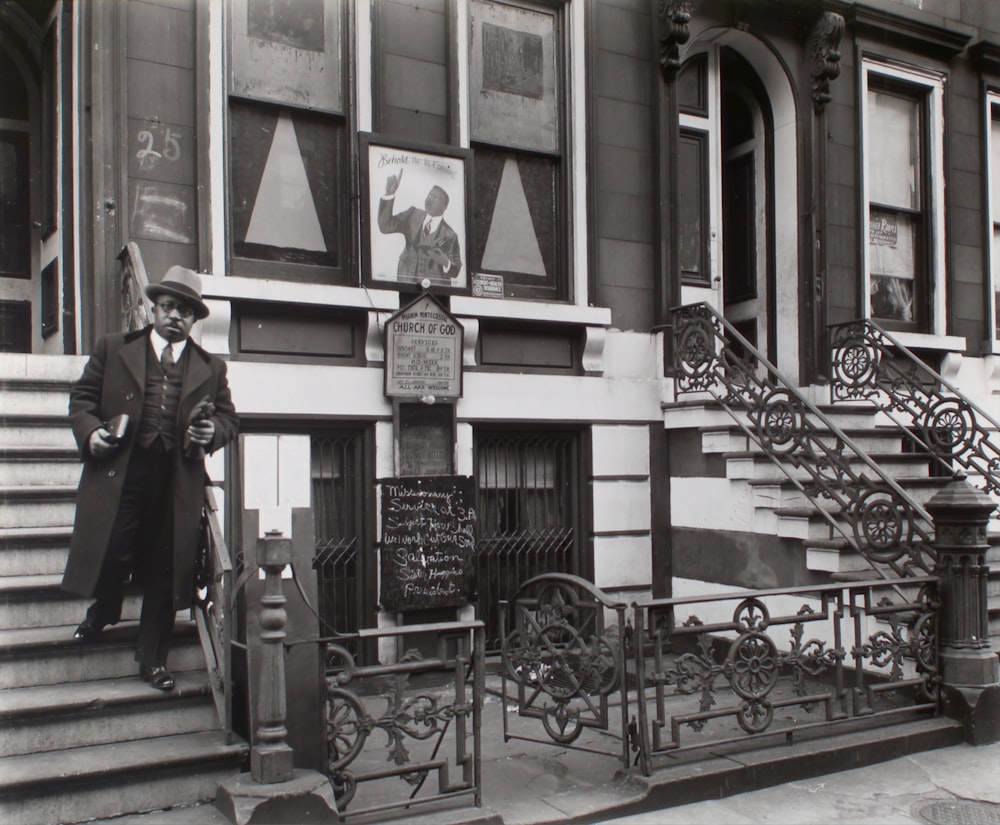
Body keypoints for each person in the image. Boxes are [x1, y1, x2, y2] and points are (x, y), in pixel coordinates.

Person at [61, 265, 239, 692]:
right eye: (169, 307)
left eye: (186, 311)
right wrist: (91, 433)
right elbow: (82, 399)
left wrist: (211, 432)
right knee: (112, 547)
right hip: (122, 470)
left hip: (176, 478)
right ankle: (104, 610)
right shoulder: (113, 348)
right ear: (153, 309)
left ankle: (152, 658)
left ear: (195, 319)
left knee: (165, 566)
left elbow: (230, 419)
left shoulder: (211, 368)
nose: (176, 316)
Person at [378, 170, 462, 283]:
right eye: (430, 196)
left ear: (444, 207)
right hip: (406, 284)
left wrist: (446, 262)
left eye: (436, 199)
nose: (430, 201)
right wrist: (389, 194)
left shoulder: (450, 235)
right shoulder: (412, 215)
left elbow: (456, 270)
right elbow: (385, 226)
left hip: (436, 292)